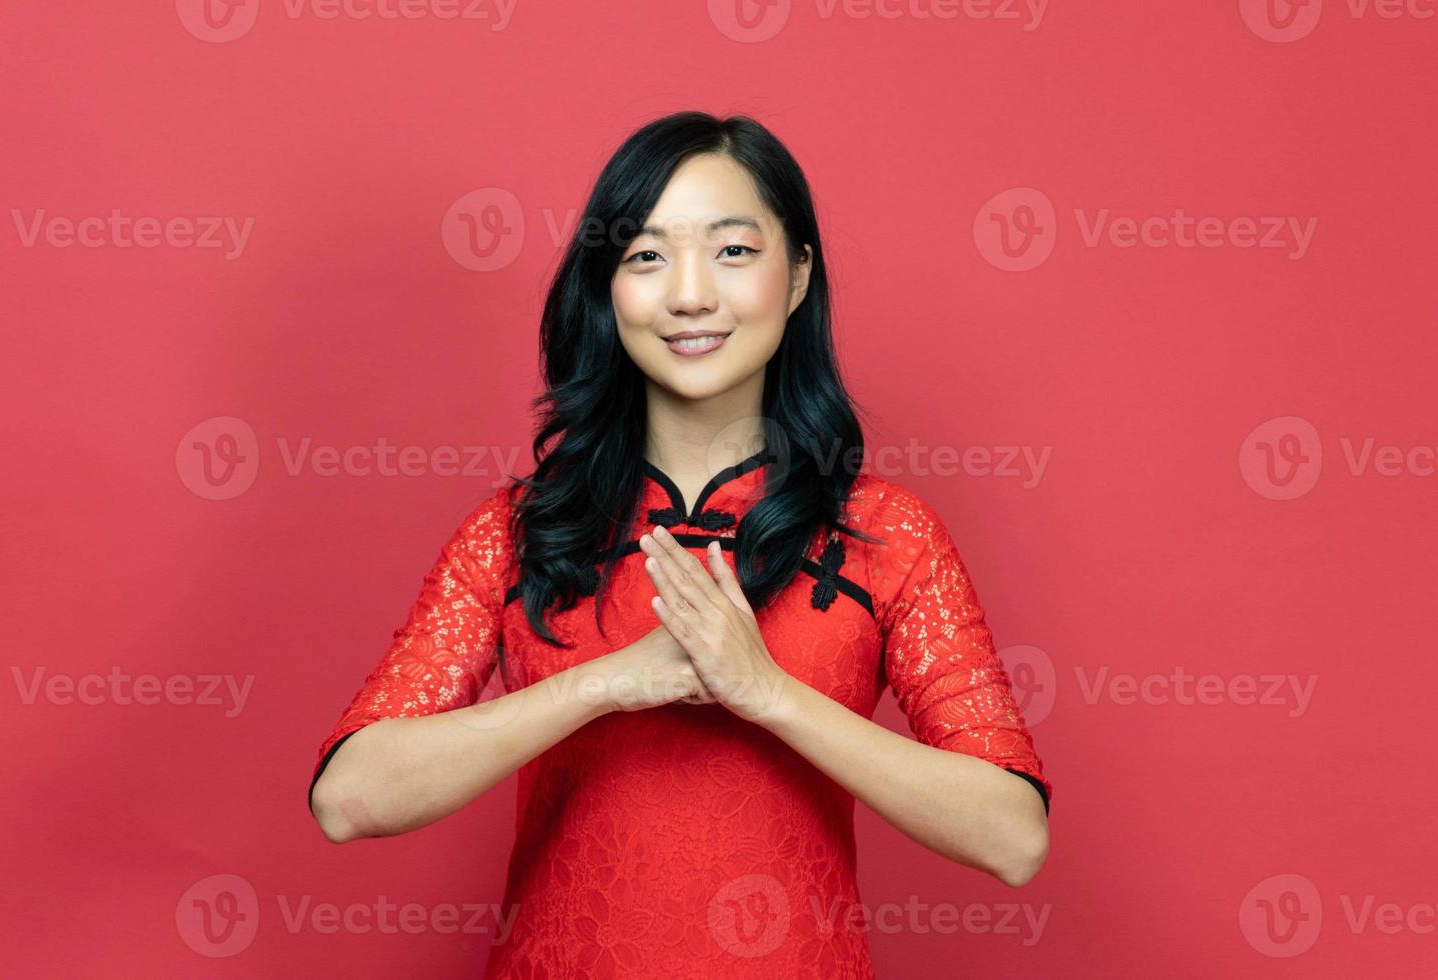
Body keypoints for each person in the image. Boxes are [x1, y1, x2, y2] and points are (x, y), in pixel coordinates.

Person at [307, 110, 1051, 978]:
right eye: (647, 255)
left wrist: (765, 692)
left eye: (733, 251)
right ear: (606, 287)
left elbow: (1013, 837)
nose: (690, 294)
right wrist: (610, 682)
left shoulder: (885, 534)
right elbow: (349, 799)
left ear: (800, 273)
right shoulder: (518, 532)